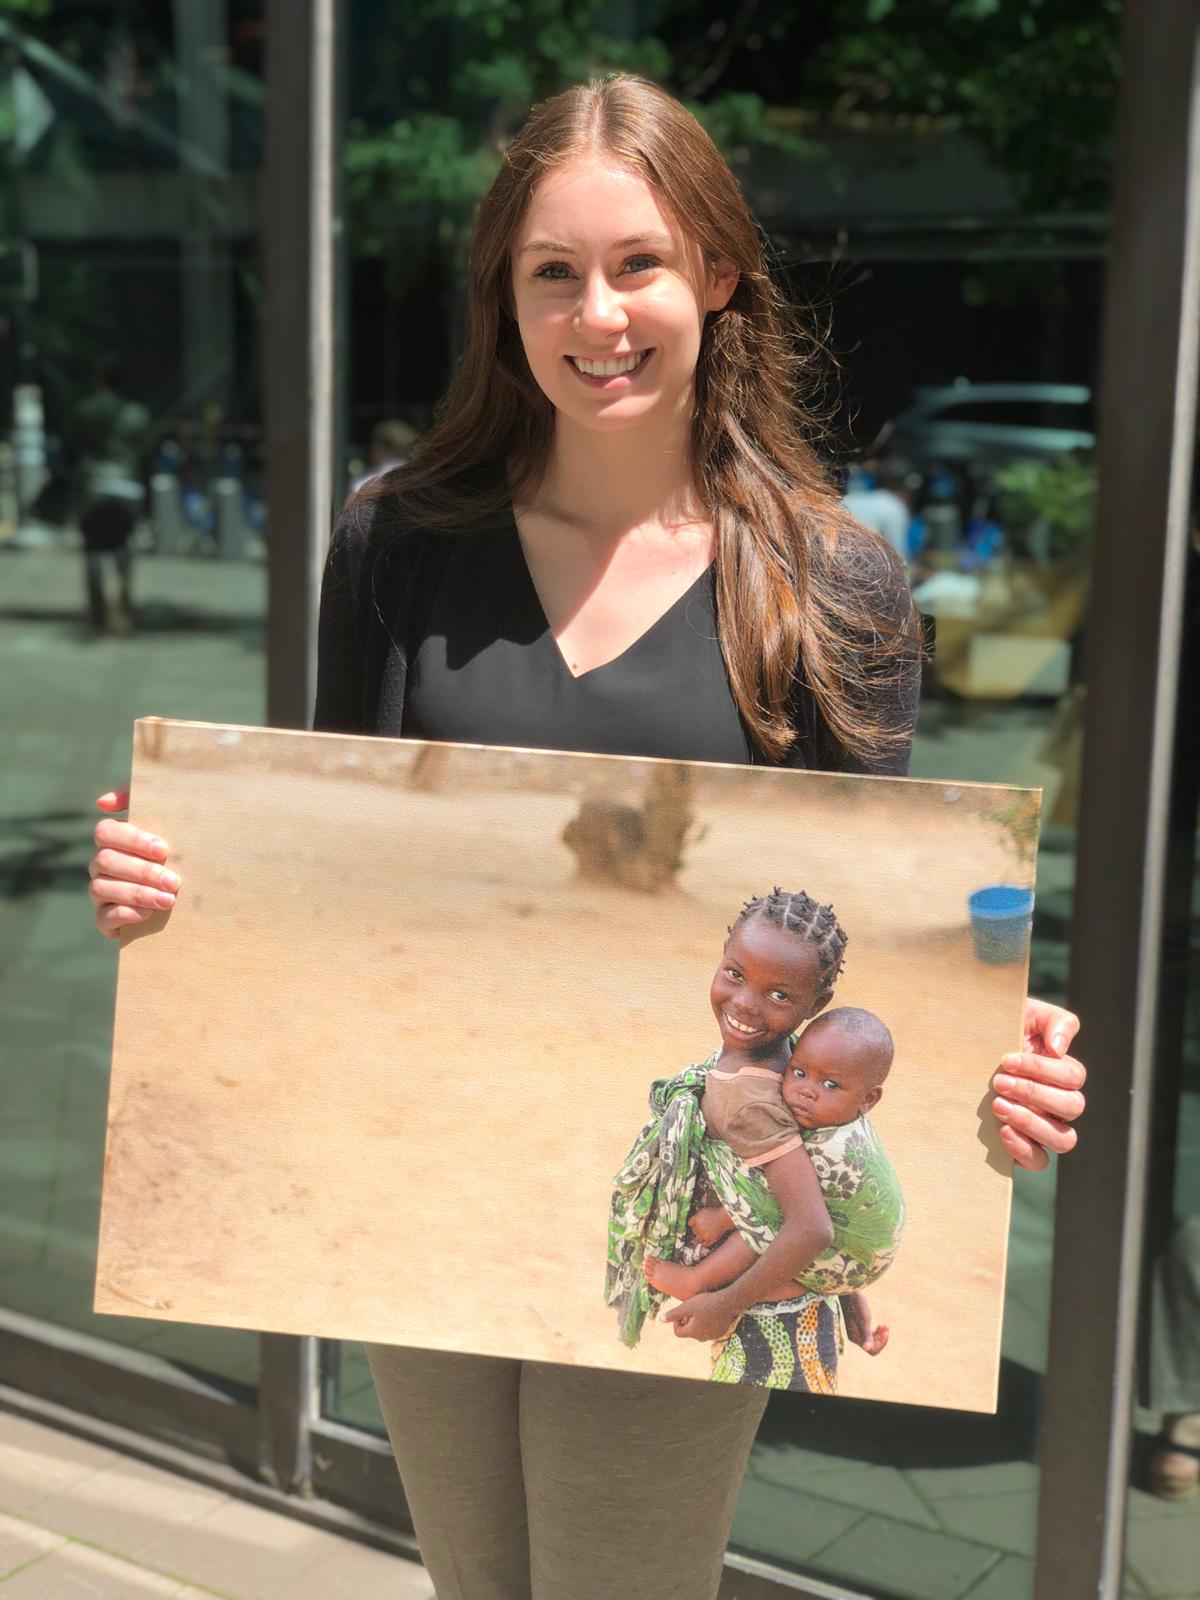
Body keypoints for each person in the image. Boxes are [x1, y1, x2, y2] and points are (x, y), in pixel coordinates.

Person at [88, 75, 1087, 1600]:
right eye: (553, 271)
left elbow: (878, 939)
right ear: (506, 295)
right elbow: (330, 870)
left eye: (640, 264)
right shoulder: (397, 541)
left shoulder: (834, 586)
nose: (597, 312)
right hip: (426, 1158)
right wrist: (182, 890)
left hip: (699, 1185)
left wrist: (992, 1047)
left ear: (719, 278)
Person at [644, 1004, 902, 1391]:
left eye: (830, 1086)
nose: (806, 1091)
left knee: (772, 1227)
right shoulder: (845, 1119)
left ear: (869, 1099)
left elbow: (790, 1215)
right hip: (856, 1255)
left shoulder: (828, 1148)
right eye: (799, 1072)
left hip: (851, 1256)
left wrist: (721, 1227)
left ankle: (696, 1281)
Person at [67, 367, 151, 634]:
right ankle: (125, 595)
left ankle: (97, 609)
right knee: (122, 543)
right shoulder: (137, 414)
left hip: (93, 486)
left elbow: (70, 446)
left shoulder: (85, 410)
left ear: (99, 381)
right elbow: (146, 452)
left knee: (93, 547)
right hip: (127, 487)